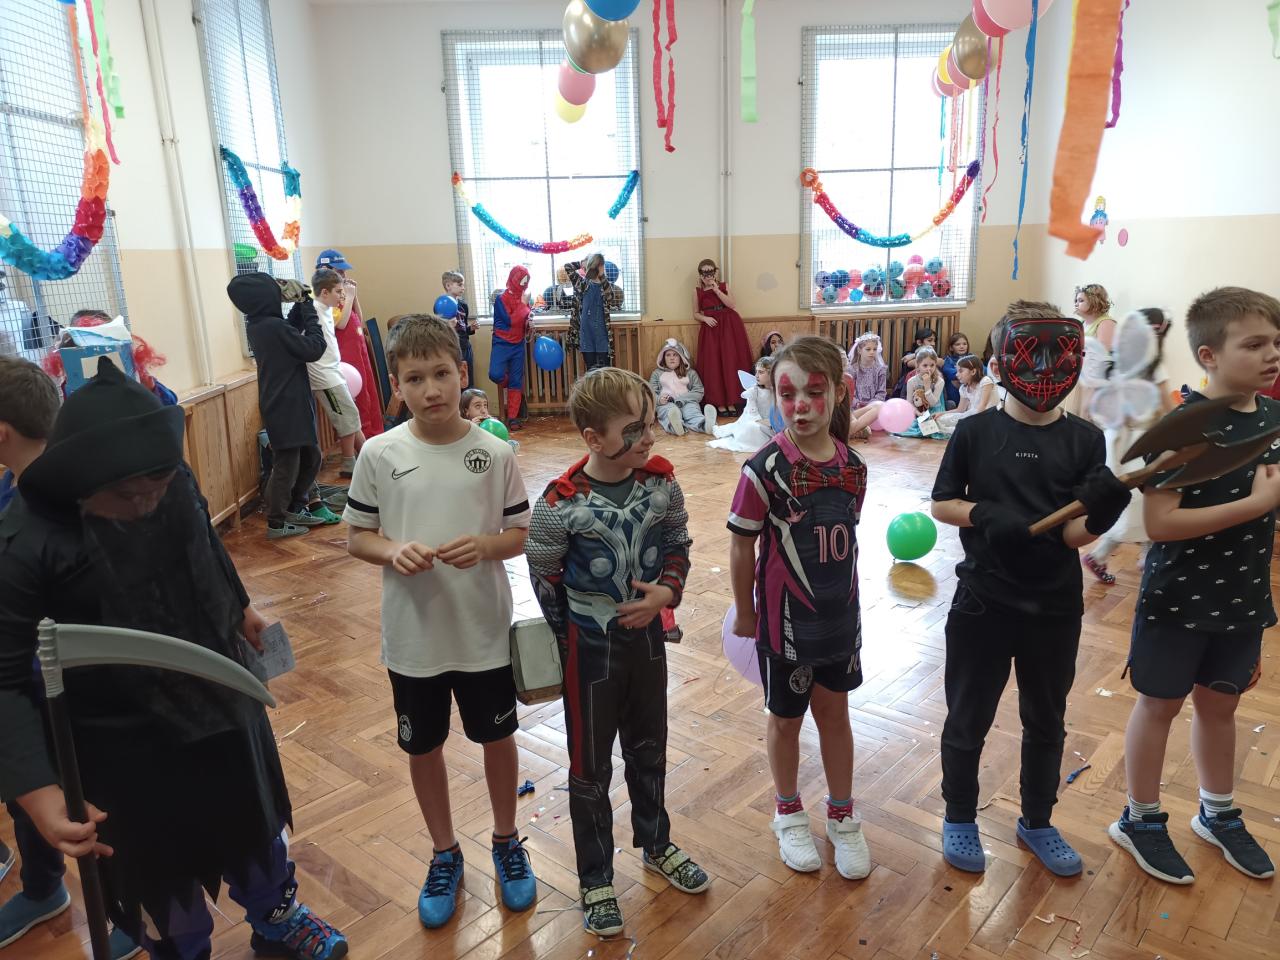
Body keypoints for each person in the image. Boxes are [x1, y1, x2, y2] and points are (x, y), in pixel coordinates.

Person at [0, 357, 348, 959]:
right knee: (158, 882)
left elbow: (202, 540)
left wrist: (240, 605)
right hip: (115, 741)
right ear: (82, 485)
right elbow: (5, 679)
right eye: (129, 496)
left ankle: (277, 917)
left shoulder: (166, 478)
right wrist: (39, 793)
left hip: (215, 692)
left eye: (159, 487)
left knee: (252, 824)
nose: (147, 503)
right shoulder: (25, 541)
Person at [343, 315, 537, 929]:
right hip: (414, 638)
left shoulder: (495, 452)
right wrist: (392, 550)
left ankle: (506, 840)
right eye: (415, 379)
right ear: (396, 386)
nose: (431, 389)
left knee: (497, 739)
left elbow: (519, 534)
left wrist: (484, 545)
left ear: (461, 373)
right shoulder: (379, 453)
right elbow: (358, 537)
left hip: (482, 633)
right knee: (422, 746)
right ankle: (444, 852)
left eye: (442, 374)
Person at [930, 301, 1131, 877]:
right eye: (1029, 354)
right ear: (1001, 362)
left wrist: (1102, 516)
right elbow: (943, 503)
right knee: (968, 715)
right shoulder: (975, 432)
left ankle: (1038, 819)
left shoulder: (1085, 440)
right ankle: (959, 815)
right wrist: (984, 513)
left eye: (1059, 356)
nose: (1045, 368)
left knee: (1047, 718)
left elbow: (1072, 535)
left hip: (1053, 606)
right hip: (983, 601)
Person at [525, 367, 710, 937]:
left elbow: (677, 542)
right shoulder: (559, 502)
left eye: (650, 423)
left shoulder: (662, 485)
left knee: (650, 747)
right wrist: (569, 640)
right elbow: (544, 573)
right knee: (589, 766)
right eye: (635, 429)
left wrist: (667, 593)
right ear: (593, 437)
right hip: (589, 655)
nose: (650, 437)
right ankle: (595, 877)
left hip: (647, 645)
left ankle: (656, 842)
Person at [1109, 288, 1280, 885]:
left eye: (1276, 343)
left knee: (1221, 706)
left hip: (1243, 597)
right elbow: (1161, 524)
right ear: (1209, 355)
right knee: (1159, 705)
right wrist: (1257, 503)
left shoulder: (1273, 420)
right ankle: (1139, 819)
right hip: (1178, 598)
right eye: (1254, 344)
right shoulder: (1182, 426)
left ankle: (1217, 812)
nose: (1272, 354)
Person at [0, 358, 143, 958]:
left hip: (94, 696)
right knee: (30, 785)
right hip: (29, 686)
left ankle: (135, 908)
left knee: (104, 806)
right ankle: (42, 888)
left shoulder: (89, 496)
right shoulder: (12, 498)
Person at [727, 336, 872, 882]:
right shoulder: (761, 470)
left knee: (836, 714)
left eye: (814, 392)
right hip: (784, 625)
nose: (801, 406)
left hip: (841, 621)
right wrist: (745, 612)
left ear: (839, 392)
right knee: (785, 720)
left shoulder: (855, 467)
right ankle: (787, 812)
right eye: (788, 395)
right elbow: (741, 545)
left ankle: (842, 815)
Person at [228, 273, 327, 540]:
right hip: (286, 404)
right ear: (264, 298)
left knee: (311, 457)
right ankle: (276, 520)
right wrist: (308, 307)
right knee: (287, 464)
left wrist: (299, 304)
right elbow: (314, 348)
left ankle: (294, 507)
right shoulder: (271, 327)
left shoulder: (262, 324)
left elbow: (290, 331)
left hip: (288, 401)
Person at [1082, 309, 1175, 585]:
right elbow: (1169, 409)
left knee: (1131, 501)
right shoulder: (1153, 366)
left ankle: (1145, 557)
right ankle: (1104, 555)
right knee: (1140, 503)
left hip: (1115, 440)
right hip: (1141, 443)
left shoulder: (1116, 362)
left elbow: (1090, 408)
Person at [316, 249, 383, 443]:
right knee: (356, 397)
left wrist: (355, 296)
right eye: (339, 272)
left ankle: (374, 433)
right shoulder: (324, 296)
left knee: (368, 391)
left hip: (359, 348)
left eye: (344, 272)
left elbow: (358, 320)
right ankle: (363, 438)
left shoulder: (342, 293)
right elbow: (341, 323)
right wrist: (350, 297)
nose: (344, 276)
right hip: (345, 353)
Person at [307, 268, 364, 491]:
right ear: (324, 293)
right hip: (325, 376)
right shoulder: (313, 310)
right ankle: (349, 462)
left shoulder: (326, 309)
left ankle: (367, 454)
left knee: (352, 415)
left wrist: (350, 295)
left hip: (334, 371)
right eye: (338, 292)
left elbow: (347, 321)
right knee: (346, 418)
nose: (342, 296)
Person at [692, 258, 754, 416]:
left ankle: (732, 401)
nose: (708, 276)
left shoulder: (724, 286)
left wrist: (716, 290)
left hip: (729, 327)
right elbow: (695, 313)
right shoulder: (697, 291)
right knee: (714, 364)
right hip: (711, 329)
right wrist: (705, 318)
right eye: (704, 273)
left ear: (715, 273)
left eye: (711, 272)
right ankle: (719, 402)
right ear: (700, 275)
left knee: (730, 361)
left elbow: (732, 305)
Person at [490, 266, 534, 431]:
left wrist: (529, 324)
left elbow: (523, 321)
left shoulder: (524, 299)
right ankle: (514, 389)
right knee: (495, 374)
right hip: (501, 342)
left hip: (518, 344)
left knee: (516, 381)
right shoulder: (501, 299)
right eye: (522, 280)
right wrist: (524, 304)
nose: (524, 283)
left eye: (526, 280)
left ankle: (513, 418)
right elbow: (511, 321)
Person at [709, 356, 779, 453]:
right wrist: (761, 421)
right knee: (753, 429)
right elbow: (752, 412)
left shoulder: (778, 391)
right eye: (756, 372)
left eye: (761, 372)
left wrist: (774, 421)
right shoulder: (754, 391)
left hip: (770, 421)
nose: (756, 375)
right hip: (754, 420)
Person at [564, 254, 623, 371]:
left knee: (605, 370)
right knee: (591, 370)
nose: (600, 268)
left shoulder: (605, 285)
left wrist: (602, 276)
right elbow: (567, 267)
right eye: (599, 265)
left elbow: (611, 298)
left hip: (602, 336)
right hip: (587, 335)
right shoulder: (582, 284)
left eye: (601, 266)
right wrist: (582, 263)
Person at [649, 338, 717, 436]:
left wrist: (682, 399)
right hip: (666, 404)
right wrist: (659, 399)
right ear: (663, 358)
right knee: (669, 413)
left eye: (675, 355)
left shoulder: (690, 373)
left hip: (687, 402)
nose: (672, 358)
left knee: (692, 413)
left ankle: (705, 424)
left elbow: (698, 391)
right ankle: (676, 426)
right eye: (668, 355)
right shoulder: (656, 373)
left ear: (681, 357)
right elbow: (650, 393)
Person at [1075, 283, 1116, 418]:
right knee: (1078, 413)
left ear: (1094, 301)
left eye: (1081, 300)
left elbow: (1102, 355)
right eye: (1076, 300)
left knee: (1088, 413)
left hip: (1097, 379)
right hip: (1082, 376)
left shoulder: (1106, 323)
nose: (1076, 304)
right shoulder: (1081, 324)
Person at [893, 347, 947, 439]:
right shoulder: (912, 381)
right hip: (918, 411)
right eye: (925, 365)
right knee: (907, 426)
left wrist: (927, 387)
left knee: (935, 428)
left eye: (932, 365)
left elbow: (933, 403)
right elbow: (909, 403)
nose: (929, 369)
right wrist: (918, 413)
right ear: (918, 365)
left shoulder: (939, 381)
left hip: (935, 411)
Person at [936, 355, 996, 436]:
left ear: (973, 371)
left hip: (986, 416)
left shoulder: (985, 381)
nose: (957, 375)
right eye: (957, 371)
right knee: (940, 419)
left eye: (960, 371)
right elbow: (960, 410)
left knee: (962, 426)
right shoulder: (963, 388)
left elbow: (983, 406)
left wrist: (969, 422)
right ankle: (959, 429)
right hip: (971, 414)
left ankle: (962, 430)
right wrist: (942, 413)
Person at [442, 271, 474, 373]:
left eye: (463, 285)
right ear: (448, 286)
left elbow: (463, 329)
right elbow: (439, 332)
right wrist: (449, 326)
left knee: (468, 375)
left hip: (465, 346)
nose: (463, 288)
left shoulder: (463, 305)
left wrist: (471, 328)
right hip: (451, 347)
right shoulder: (441, 305)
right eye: (460, 285)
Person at [847, 333, 888, 410]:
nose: (872, 352)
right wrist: (857, 404)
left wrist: (871, 405)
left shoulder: (880, 370)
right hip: (856, 408)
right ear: (859, 350)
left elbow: (881, 392)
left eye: (874, 349)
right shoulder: (852, 369)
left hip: (874, 407)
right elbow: (850, 393)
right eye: (868, 349)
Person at [892, 327, 936, 398]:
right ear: (919, 342)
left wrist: (914, 355)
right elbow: (913, 363)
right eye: (930, 340)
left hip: (929, 391)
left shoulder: (933, 356)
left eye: (934, 341)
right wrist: (914, 355)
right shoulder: (908, 354)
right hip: (911, 391)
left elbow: (940, 362)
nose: (933, 343)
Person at [941, 332, 970, 407]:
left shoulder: (971, 357)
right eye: (957, 344)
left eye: (964, 344)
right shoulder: (948, 360)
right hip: (954, 398)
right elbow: (950, 373)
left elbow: (982, 369)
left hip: (970, 398)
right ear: (951, 348)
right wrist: (970, 372)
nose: (962, 346)